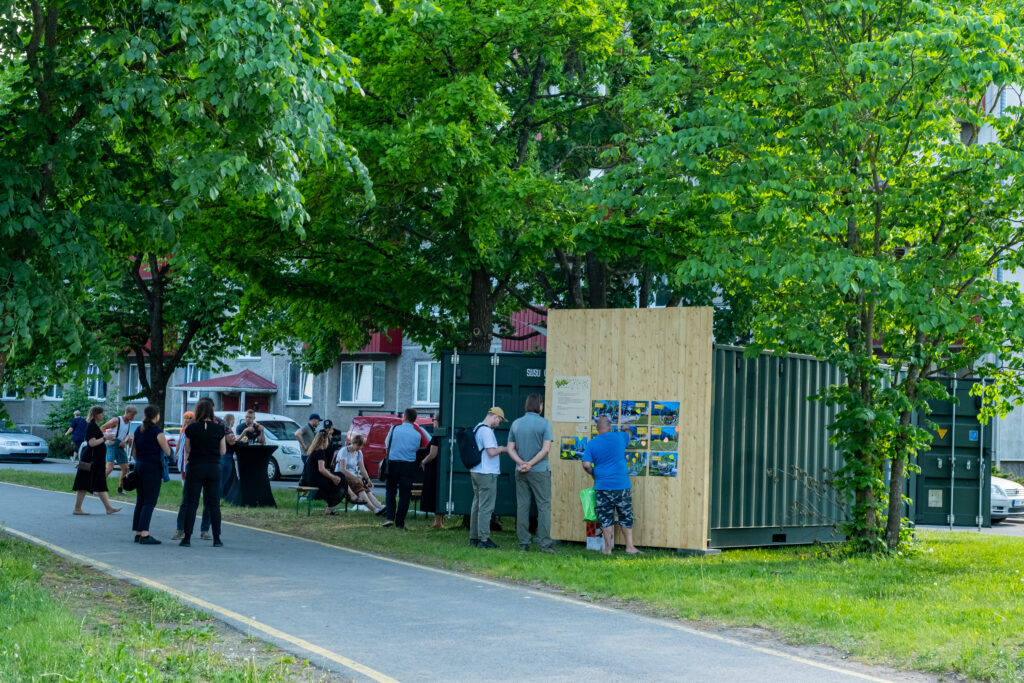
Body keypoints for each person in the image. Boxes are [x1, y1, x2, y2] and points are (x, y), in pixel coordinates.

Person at [582, 416, 641, 555]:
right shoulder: (619, 437)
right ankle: (630, 547)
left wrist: (593, 474)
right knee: (625, 515)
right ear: (610, 427)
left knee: (605, 517)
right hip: (622, 485)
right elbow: (629, 434)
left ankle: (607, 549)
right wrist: (626, 427)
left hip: (602, 486)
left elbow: (586, 465)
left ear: (597, 429)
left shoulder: (592, 443)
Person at [507, 394, 555, 553]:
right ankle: (545, 544)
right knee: (544, 506)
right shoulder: (545, 424)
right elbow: (546, 449)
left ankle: (524, 543)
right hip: (540, 471)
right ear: (539, 406)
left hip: (520, 471)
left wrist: (521, 463)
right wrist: (531, 464)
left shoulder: (516, 423)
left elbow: (510, 449)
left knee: (522, 506)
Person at [180, 397, 226, 547]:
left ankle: (187, 538)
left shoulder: (191, 428)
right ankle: (217, 539)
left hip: (196, 466)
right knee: (214, 504)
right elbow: (223, 451)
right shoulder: (219, 429)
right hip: (213, 467)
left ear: (198, 411)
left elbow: (187, 449)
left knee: (192, 503)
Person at [383, 408, 429, 529]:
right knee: (405, 495)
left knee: (390, 491)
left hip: (393, 463)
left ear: (404, 417)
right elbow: (416, 449)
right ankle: (400, 522)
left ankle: (389, 517)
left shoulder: (394, 429)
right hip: (408, 465)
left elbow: (387, 446)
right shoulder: (417, 435)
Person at [71, 406, 122, 515]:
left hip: (96, 460)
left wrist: (105, 437)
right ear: (96, 414)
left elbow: (96, 439)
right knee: (83, 483)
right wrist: (105, 438)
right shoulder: (91, 426)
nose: (103, 415)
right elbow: (91, 443)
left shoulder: (94, 426)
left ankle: (108, 508)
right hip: (90, 460)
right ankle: (77, 509)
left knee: (100, 483)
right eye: (101, 413)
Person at [470, 407, 509, 549]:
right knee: (486, 507)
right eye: (499, 420)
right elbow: (492, 452)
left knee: (477, 505)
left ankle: (473, 537)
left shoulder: (477, 428)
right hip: (487, 473)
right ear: (494, 416)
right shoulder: (486, 431)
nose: (499, 423)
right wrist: (504, 449)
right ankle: (484, 539)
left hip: (476, 471)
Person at [131, 406, 171, 544]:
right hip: (152, 468)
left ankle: (137, 532)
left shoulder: (138, 430)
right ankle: (145, 534)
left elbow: (134, 453)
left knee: (140, 500)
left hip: (139, 465)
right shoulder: (157, 432)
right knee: (150, 501)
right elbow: (168, 452)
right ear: (156, 416)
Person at [171, 411, 212, 541]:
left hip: (206, 467)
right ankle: (181, 529)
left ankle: (204, 530)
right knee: (187, 500)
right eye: (186, 418)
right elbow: (186, 448)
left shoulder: (213, 429)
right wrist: (183, 456)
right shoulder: (189, 430)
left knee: (207, 501)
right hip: (194, 466)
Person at [335, 434, 385, 515]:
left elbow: (362, 468)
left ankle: (379, 507)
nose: (360, 448)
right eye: (359, 446)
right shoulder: (344, 451)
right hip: (342, 476)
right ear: (353, 443)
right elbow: (343, 470)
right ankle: (374, 509)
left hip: (352, 476)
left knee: (366, 488)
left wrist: (368, 480)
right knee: (359, 486)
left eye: (361, 446)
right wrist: (356, 478)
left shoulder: (358, 453)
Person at [303, 430, 348, 514]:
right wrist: (333, 477)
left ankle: (330, 507)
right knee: (341, 478)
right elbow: (321, 469)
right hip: (316, 481)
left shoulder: (313, 451)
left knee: (338, 477)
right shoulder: (320, 451)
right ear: (325, 440)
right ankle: (330, 508)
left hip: (310, 480)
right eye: (328, 439)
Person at [101, 404, 137, 494]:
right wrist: (107, 438)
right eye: (132, 415)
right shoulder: (116, 420)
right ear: (127, 412)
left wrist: (125, 441)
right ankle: (97, 486)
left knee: (125, 468)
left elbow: (126, 435)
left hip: (120, 445)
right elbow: (101, 428)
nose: (133, 417)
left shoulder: (129, 424)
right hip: (112, 443)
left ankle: (120, 489)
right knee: (109, 467)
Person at [418, 414, 444, 529]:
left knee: (433, 494)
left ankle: (437, 522)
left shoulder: (436, 436)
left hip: (433, 469)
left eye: (433, 420)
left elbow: (433, 454)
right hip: (439, 469)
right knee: (440, 493)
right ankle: (440, 521)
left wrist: (423, 462)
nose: (433, 422)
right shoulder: (444, 434)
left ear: (437, 421)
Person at [221, 414, 239, 497]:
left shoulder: (222, 429)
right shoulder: (228, 431)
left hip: (222, 456)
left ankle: (221, 497)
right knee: (224, 479)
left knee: (222, 479)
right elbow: (232, 442)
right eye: (233, 420)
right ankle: (219, 497)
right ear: (231, 420)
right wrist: (242, 436)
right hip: (226, 457)